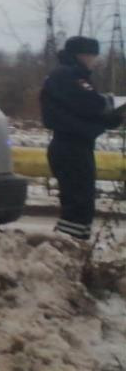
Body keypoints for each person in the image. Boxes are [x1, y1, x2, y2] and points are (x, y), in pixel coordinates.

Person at [40, 36, 123, 240]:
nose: (93, 60)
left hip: (75, 146)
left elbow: (89, 111)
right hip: (70, 146)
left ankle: (74, 246)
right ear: (81, 54)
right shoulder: (68, 76)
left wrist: (112, 117)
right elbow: (90, 105)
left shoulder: (71, 76)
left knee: (80, 202)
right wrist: (111, 110)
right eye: (92, 55)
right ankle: (67, 247)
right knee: (79, 203)